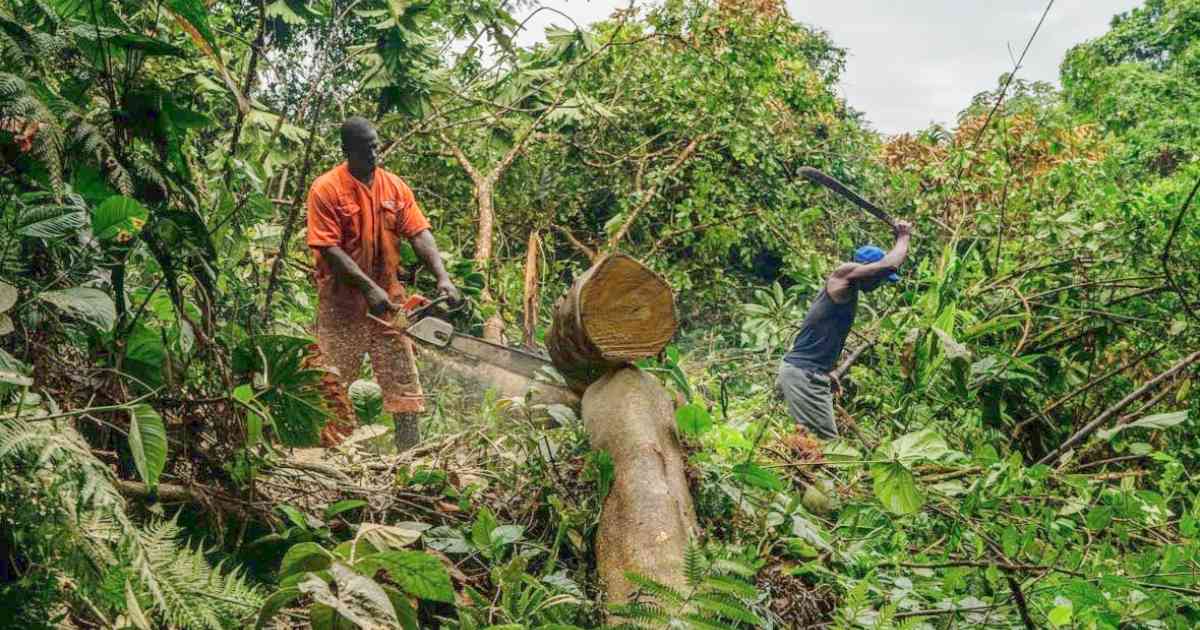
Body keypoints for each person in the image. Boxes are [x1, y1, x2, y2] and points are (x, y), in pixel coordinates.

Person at [306, 116, 462, 450]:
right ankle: (324, 455)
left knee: (402, 382)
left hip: (389, 299)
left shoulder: (394, 187)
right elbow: (328, 248)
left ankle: (411, 455)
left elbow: (419, 232)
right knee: (331, 382)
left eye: (376, 146)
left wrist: (443, 278)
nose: (374, 155)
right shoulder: (326, 188)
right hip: (342, 303)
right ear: (348, 151)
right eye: (365, 149)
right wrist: (367, 289)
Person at [776, 221, 914, 440]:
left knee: (808, 441)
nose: (880, 283)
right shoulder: (843, 276)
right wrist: (903, 236)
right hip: (804, 374)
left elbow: (824, 334)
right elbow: (890, 265)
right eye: (878, 277)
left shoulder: (850, 291)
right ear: (866, 270)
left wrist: (828, 369)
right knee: (829, 447)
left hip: (809, 372)